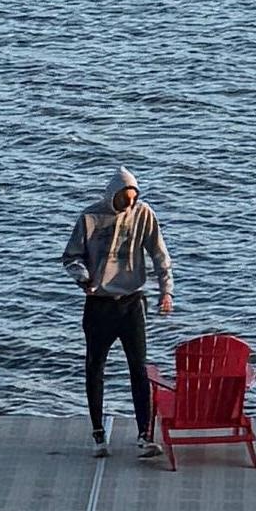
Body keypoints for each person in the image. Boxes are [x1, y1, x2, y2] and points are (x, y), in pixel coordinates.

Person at [63, 166, 175, 449]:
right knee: (95, 366)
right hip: (99, 303)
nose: (130, 205)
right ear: (112, 196)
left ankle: (144, 435)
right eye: (124, 201)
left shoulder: (143, 214)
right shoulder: (90, 217)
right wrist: (83, 277)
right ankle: (98, 431)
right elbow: (71, 256)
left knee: (138, 368)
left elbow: (160, 254)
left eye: (134, 199)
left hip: (132, 302)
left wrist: (166, 291)